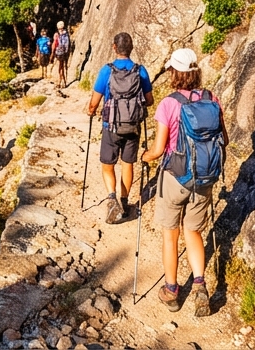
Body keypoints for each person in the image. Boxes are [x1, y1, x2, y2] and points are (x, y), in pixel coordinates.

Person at [141, 48, 227, 317]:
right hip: (205, 177)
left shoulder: (168, 104)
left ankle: (172, 291)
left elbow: (158, 150)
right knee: (194, 232)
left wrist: (145, 156)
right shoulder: (212, 99)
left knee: (170, 234)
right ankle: (200, 286)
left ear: (174, 73)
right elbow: (223, 137)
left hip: (175, 177)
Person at [87, 32, 153, 224]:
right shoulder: (140, 71)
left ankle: (111, 198)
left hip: (111, 126)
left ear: (114, 47)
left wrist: (91, 112)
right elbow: (149, 100)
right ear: (131, 48)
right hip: (132, 126)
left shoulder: (107, 71)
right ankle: (124, 202)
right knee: (127, 164)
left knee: (108, 165)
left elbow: (94, 102)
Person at [51, 21, 71, 87]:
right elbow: (67, 44)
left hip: (59, 53)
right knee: (64, 67)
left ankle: (61, 81)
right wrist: (67, 52)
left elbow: (54, 44)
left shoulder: (57, 35)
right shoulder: (66, 34)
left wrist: (52, 54)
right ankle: (64, 82)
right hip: (65, 53)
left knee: (60, 67)